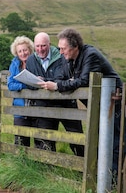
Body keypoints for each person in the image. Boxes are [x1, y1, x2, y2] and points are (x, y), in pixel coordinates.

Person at [40, 28, 123, 178]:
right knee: (98, 138)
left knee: (114, 140)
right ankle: (101, 177)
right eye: (59, 48)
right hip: (97, 105)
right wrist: (67, 82)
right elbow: (59, 77)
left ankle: (113, 180)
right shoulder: (67, 60)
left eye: (63, 48)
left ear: (75, 46)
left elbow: (84, 81)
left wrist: (60, 86)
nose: (61, 52)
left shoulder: (90, 55)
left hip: (113, 102)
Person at [26, 32, 84, 156]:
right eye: (37, 46)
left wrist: (43, 80)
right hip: (43, 105)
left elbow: (61, 78)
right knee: (45, 139)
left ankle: (83, 168)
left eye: (43, 46)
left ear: (49, 44)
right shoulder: (31, 60)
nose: (40, 49)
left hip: (65, 102)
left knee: (76, 138)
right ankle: (48, 170)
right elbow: (29, 82)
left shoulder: (62, 57)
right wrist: (35, 81)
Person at [7, 36, 35, 146]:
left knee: (40, 140)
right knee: (20, 141)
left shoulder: (36, 62)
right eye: (20, 51)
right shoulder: (14, 64)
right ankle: (21, 163)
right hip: (20, 108)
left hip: (36, 107)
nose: (23, 53)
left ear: (30, 50)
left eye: (25, 50)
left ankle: (39, 163)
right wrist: (26, 84)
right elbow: (10, 85)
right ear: (16, 53)